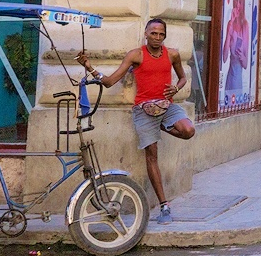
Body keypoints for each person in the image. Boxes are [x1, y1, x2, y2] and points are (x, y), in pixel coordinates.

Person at [78, 18, 195, 225]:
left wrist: (176, 88)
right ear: (146, 33)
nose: (157, 37)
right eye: (153, 33)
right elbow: (109, 82)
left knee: (188, 131)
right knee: (152, 156)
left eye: (161, 34)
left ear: (164, 36)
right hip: (143, 109)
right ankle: (164, 206)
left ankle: (159, 126)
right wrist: (89, 67)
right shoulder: (136, 55)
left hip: (167, 106)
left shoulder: (173, 54)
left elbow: (183, 78)